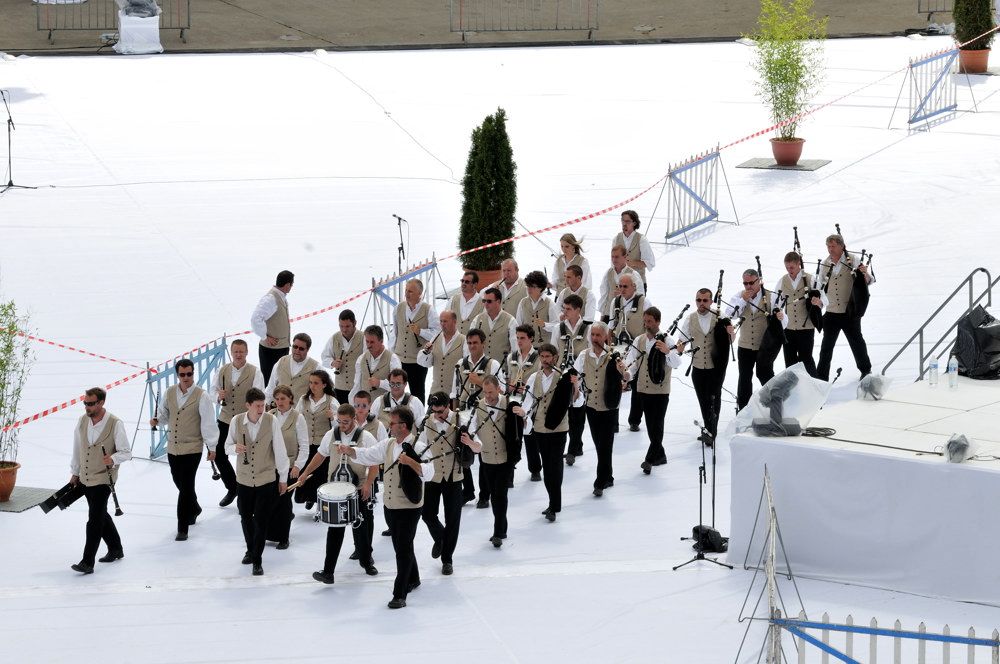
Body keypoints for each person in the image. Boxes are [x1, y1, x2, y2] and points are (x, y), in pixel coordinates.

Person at [337, 406, 433, 609]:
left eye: (393, 422)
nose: (389, 425)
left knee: (402, 549)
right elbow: (369, 455)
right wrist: (350, 450)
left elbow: (429, 473)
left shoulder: (419, 445)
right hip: (390, 505)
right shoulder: (389, 444)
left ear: (403, 426)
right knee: (402, 544)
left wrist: (411, 462)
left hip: (409, 507)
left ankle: (400, 594)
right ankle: (414, 578)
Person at [300, 403, 379, 583]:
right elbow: (320, 455)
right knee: (334, 531)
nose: (342, 425)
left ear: (354, 419)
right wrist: (305, 473)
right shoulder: (331, 434)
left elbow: (374, 464)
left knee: (362, 530)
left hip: (358, 490)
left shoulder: (366, 437)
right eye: (339, 421)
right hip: (336, 492)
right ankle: (328, 572)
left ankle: (367, 563)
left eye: (345, 422)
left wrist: (368, 484)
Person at [150, 359, 217, 541]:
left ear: (193, 373)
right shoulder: (170, 392)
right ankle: (194, 508)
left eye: (189, 374)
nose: (186, 377)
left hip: (193, 448)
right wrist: (157, 420)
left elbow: (208, 424)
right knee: (179, 481)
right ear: (177, 375)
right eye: (182, 374)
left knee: (186, 486)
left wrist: (212, 447)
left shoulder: (202, 396)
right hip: (173, 447)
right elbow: (164, 415)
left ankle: (182, 528)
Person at [225, 388, 288, 576]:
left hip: (265, 479)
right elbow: (226, 446)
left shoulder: (271, 421)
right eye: (258, 406)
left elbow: (280, 450)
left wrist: (283, 478)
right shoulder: (236, 421)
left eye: (263, 405)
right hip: (244, 479)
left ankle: (257, 560)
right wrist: (234, 448)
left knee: (261, 520)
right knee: (245, 517)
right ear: (248, 405)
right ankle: (250, 549)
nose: (262, 409)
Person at [69, 387, 131, 574]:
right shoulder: (82, 421)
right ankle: (116, 548)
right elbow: (77, 448)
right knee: (101, 514)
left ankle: (87, 562)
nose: (86, 407)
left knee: (94, 520)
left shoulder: (115, 423)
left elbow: (126, 452)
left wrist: (112, 458)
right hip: (86, 477)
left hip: (104, 479)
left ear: (101, 402)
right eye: (85, 403)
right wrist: (75, 472)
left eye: (90, 404)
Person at [515, 344, 572, 522]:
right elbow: (528, 400)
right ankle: (553, 501)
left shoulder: (563, 376)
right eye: (542, 357)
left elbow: (572, 400)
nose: (545, 360)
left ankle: (554, 505)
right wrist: (524, 414)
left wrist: (575, 387)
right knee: (547, 466)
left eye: (548, 356)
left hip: (559, 427)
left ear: (555, 357)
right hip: (540, 427)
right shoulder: (534, 377)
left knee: (555, 464)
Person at [420, 392, 475, 576]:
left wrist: (470, 442)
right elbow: (421, 447)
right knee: (427, 514)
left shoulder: (461, 420)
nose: (437, 415)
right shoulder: (427, 422)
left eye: (440, 411)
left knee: (453, 519)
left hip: (454, 476)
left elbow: (478, 447)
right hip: (433, 475)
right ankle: (441, 539)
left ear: (448, 406)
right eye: (433, 411)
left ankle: (447, 559)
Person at [573, 322, 629, 497]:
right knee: (600, 444)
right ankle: (608, 476)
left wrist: (624, 373)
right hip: (591, 406)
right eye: (593, 335)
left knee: (606, 443)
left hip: (609, 406)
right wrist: (575, 387)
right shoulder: (584, 355)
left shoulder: (614, 356)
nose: (595, 338)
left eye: (598, 335)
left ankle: (600, 481)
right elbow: (575, 375)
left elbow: (627, 375)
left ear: (605, 336)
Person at [625, 308, 682, 474]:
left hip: (661, 391)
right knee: (651, 426)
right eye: (645, 321)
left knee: (657, 425)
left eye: (650, 321)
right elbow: (632, 363)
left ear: (658, 321)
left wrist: (667, 351)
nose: (646, 324)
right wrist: (627, 375)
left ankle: (649, 459)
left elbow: (676, 363)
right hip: (643, 389)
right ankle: (660, 455)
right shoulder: (639, 340)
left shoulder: (667, 340)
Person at [211, 339, 265, 508]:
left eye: (241, 351)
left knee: (247, 456)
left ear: (247, 352)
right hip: (225, 418)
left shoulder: (255, 372)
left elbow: (259, 396)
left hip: (245, 420)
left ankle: (250, 495)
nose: (238, 354)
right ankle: (232, 487)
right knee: (219, 454)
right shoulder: (222, 370)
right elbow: (211, 391)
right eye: (236, 351)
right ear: (232, 352)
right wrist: (218, 396)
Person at [677, 288, 733, 442]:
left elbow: (730, 340)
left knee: (714, 399)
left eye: (705, 300)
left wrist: (731, 332)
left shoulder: (720, 316)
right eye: (698, 300)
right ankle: (709, 430)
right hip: (698, 367)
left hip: (715, 368)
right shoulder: (690, 318)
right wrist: (675, 350)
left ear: (711, 301)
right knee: (703, 401)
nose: (701, 303)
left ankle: (711, 432)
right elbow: (682, 340)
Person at [816, 234, 874, 381]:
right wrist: (820, 303)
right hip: (831, 312)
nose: (830, 249)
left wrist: (864, 274)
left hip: (850, 311)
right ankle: (821, 378)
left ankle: (865, 370)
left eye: (833, 246)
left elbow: (868, 281)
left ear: (842, 246)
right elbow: (821, 288)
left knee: (857, 342)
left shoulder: (853, 259)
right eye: (828, 246)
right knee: (826, 347)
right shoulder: (825, 264)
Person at [728, 269, 787, 410]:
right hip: (745, 345)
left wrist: (781, 317)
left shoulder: (771, 296)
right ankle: (743, 410)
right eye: (745, 283)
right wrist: (743, 300)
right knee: (744, 378)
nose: (748, 286)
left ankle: (776, 406)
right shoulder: (739, 296)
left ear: (759, 281)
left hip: (765, 346)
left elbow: (784, 321)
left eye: (751, 283)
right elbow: (730, 314)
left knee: (766, 375)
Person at [461, 376, 510, 544]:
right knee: (495, 494)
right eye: (485, 392)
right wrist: (473, 443)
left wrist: (523, 416)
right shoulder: (478, 407)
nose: (488, 396)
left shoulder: (509, 403)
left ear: (498, 389)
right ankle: (501, 527)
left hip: (505, 458)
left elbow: (520, 426)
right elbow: (473, 429)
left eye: (491, 392)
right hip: (487, 458)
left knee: (500, 494)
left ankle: (498, 532)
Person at [548, 294, 591, 467]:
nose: (564, 312)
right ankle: (573, 446)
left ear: (578, 310)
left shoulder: (588, 328)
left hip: (581, 376)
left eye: (568, 309)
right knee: (564, 411)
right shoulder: (558, 328)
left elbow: (590, 352)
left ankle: (573, 448)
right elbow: (553, 352)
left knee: (578, 413)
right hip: (562, 375)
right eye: (564, 308)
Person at [266, 385, 308, 549]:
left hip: (290, 467)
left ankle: (283, 537)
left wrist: (297, 466)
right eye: (277, 399)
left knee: (283, 501)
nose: (279, 402)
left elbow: (304, 446)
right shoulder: (269, 416)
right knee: (270, 500)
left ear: (290, 398)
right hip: (270, 466)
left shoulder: (298, 418)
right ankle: (268, 533)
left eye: (283, 398)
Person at [609, 274, 652, 433]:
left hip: (637, 349)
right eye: (619, 286)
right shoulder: (615, 302)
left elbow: (649, 325)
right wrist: (609, 347)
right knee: (615, 384)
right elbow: (611, 326)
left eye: (625, 286)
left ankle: (634, 420)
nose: (622, 289)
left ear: (634, 287)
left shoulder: (643, 301)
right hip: (619, 348)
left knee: (637, 385)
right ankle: (613, 421)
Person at [390, 279, 438, 404]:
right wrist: (392, 354)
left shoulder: (428, 310)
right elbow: (394, 332)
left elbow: (437, 333)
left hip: (418, 361)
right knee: (396, 392)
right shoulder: (398, 308)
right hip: (399, 359)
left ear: (419, 294)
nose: (407, 294)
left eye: (410, 291)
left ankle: (418, 415)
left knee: (417, 393)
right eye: (406, 290)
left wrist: (420, 331)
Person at [294, 370, 338, 510]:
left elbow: (339, 426)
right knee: (306, 472)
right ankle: (308, 497)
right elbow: (296, 419)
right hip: (306, 443)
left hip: (322, 445)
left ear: (324, 385)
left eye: (316, 383)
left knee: (320, 475)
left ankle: (319, 502)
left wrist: (333, 417)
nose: (312, 386)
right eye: (311, 383)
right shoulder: (303, 400)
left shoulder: (331, 401)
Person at [505, 325, 540, 481]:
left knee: (530, 435)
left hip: (531, 400)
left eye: (522, 338)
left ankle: (535, 469)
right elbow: (508, 377)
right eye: (517, 338)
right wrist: (510, 386)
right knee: (512, 436)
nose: (519, 341)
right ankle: (510, 472)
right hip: (514, 400)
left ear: (531, 338)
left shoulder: (538, 357)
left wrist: (527, 387)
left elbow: (540, 379)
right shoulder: (511, 357)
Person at [776, 251, 818, 376]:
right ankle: (794, 386)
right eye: (787, 267)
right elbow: (776, 301)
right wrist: (778, 311)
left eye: (792, 267)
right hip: (788, 329)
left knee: (806, 359)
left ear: (798, 264)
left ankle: (814, 384)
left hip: (806, 328)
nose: (789, 270)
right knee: (790, 362)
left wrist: (818, 301)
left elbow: (823, 298)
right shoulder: (783, 280)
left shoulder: (809, 278)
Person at [251, 270, 294, 384]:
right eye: (291, 285)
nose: (291, 287)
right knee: (270, 381)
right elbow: (255, 319)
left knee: (279, 380)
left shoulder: (280, 296)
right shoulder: (271, 298)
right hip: (271, 350)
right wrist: (265, 337)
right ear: (287, 285)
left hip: (280, 348)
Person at [416, 310, 466, 397]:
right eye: (441, 321)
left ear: (454, 322)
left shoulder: (464, 340)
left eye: (445, 321)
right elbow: (426, 364)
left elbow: (467, 366)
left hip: (454, 393)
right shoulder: (435, 338)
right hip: (435, 391)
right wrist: (427, 352)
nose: (442, 324)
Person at [348, 325, 401, 404]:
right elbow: (357, 385)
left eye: (372, 342)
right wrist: (353, 405)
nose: (369, 345)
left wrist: (380, 383)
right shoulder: (361, 359)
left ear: (381, 341)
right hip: (365, 407)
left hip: (386, 406)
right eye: (367, 341)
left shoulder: (393, 359)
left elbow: (398, 386)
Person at [321, 309, 364, 405]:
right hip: (340, 388)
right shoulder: (334, 338)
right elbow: (324, 357)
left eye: (347, 326)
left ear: (355, 323)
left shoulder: (363, 337)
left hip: (358, 388)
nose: (344, 330)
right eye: (341, 326)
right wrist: (332, 363)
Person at [265, 332, 319, 405]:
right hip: (278, 409)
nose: (297, 350)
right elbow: (271, 388)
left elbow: (324, 392)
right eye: (295, 347)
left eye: (301, 349)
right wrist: (266, 405)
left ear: (308, 349)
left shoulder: (316, 367)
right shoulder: (281, 362)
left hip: (301, 411)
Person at [469, 287, 517, 365]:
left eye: (489, 301)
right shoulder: (477, 319)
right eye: (484, 301)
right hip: (480, 367)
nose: (486, 304)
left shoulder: (511, 321)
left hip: (501, 368)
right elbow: (470, 344)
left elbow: (515, 348)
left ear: (498, 302)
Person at [598, 245, 644, 320]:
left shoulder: (633, 274)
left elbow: (640, 296)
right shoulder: (608, 273)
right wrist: (602, 314)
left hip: (627, 315)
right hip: (609, 314)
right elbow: (604, 294)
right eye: (612, 257)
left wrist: (625, 295)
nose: (614, 260)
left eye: (617, 257)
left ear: (625, 257)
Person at [516, 270, 559, 351]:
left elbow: (557, 326)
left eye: (533, 287)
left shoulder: (550, 303)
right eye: (528, 286)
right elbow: (518, 324)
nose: (529, 289)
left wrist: (545, 325)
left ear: (541, 288)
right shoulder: (523, 302)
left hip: (545, 349)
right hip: (527, 348)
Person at [613, 210, 656, 292]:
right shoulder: (616, 239)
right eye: (623, 221)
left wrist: (630, 263)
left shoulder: (641, 239)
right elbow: (613, 263)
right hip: (621, 285)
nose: (624, 224)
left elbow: (649, 262)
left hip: (638, 285)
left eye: (627, 221)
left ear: (634, 223)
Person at [447, 271, 484, 336]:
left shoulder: (483, 303)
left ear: (475, 284)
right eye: (462, 281)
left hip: (473, 341)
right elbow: (446, 318)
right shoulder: (453, 299)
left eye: (467, 282)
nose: (463, 283)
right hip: (455, 340)